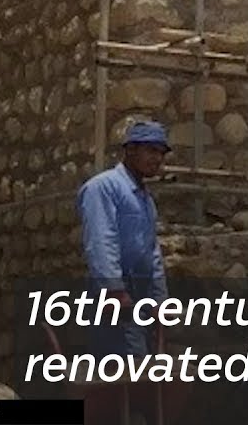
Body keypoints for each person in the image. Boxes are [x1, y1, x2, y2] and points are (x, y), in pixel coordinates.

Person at [76, 120, 171, 358]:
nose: (157, 159)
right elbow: (101, 240)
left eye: (161, 153)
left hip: (141, 293)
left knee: (142, 363)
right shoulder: (103, 188)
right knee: (126, 362)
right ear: (130, 150)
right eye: (151, 150)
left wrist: (159, 298)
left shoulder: (145, 199)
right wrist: (113, 289)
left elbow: (151, 250)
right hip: (117, 292)